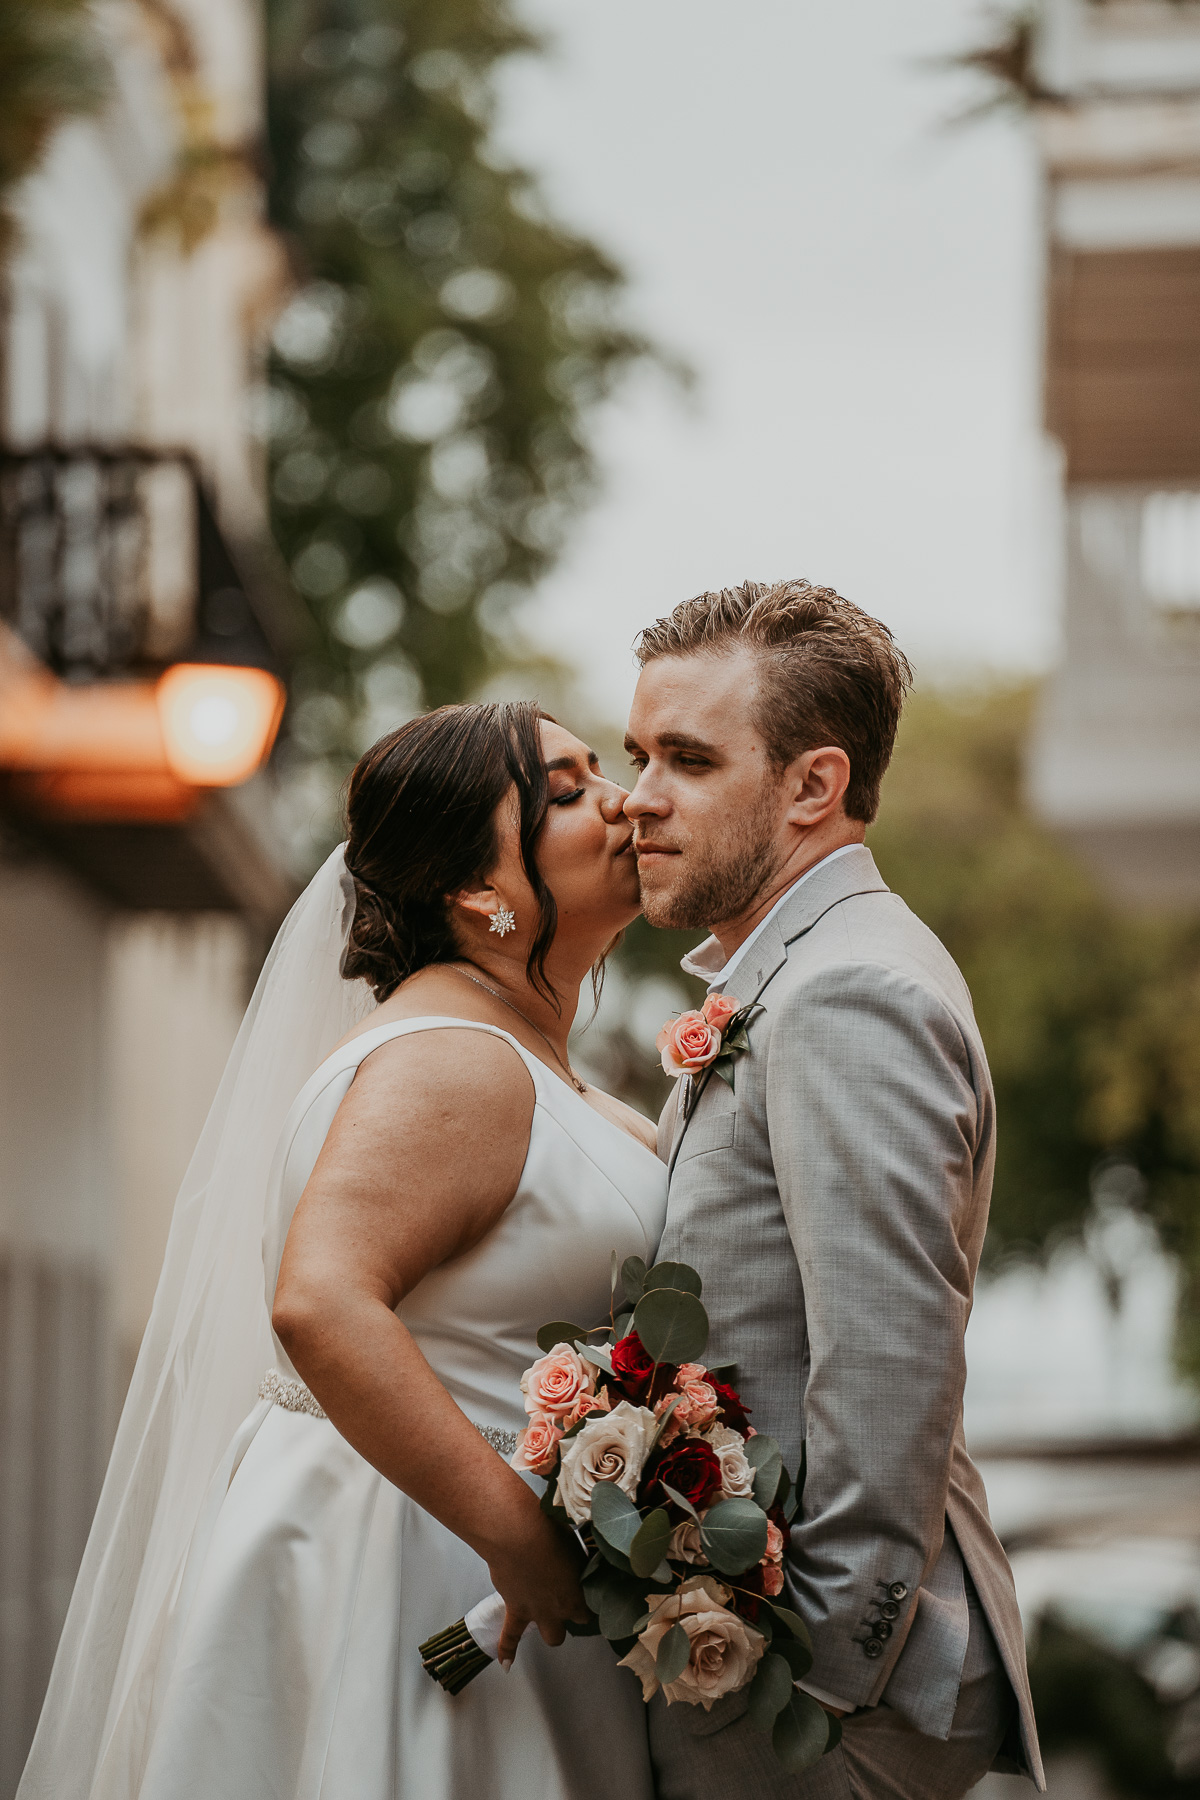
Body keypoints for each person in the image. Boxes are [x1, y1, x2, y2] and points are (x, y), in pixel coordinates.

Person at [19, 701, 665, 1800]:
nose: (626, 801)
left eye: (610, 770)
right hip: (413, 1560)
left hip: (469, 1549)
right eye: (565, 791)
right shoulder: (455, 1060)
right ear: (475, 893)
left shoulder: (541, 1070)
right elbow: (321, 1302)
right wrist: (521, 1538)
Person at [622, 580, 1045, 1799]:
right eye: (639, 753)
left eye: (689, 761)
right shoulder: (793, 979)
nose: (639, 799)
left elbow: (890, 1365)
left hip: (818, 1709)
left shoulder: (850, 995)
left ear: (813, 785)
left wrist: (812, 1678)